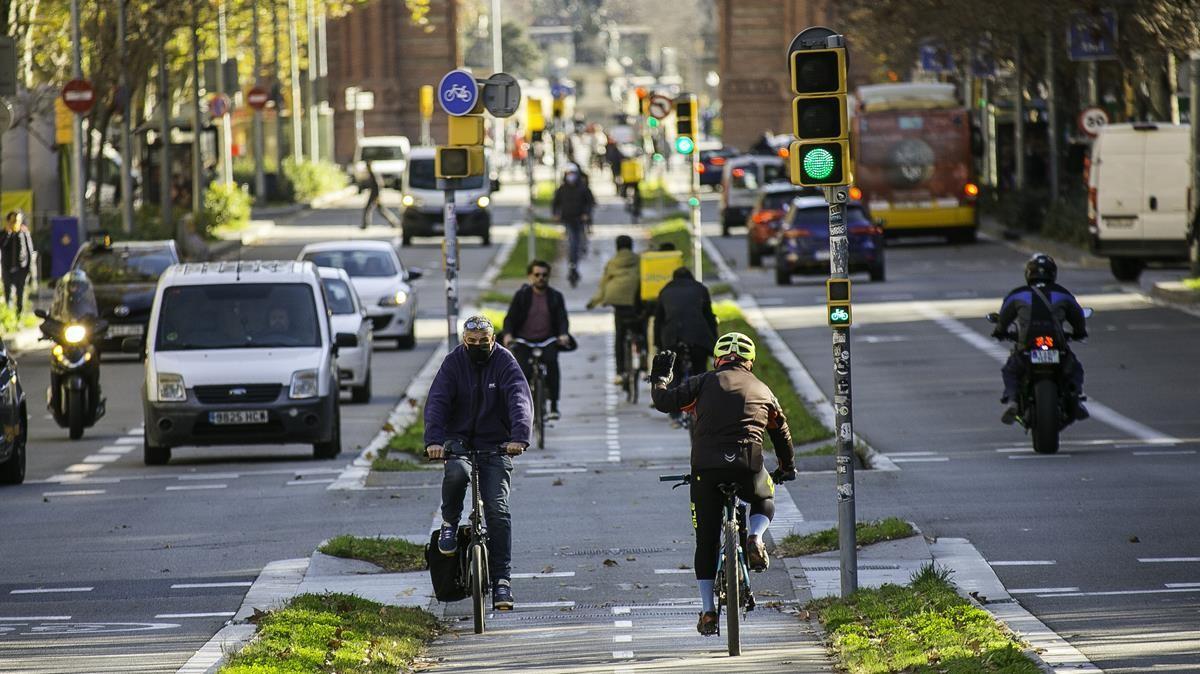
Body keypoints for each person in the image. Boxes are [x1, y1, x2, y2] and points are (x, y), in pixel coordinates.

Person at [649, 332, 797, 636]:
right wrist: (786, 467)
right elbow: (780, 431)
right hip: (748, 466)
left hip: (706, 469)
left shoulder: (703, 382)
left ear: (718, 359)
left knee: (706, 541)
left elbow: (664, 402)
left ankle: (707, 611)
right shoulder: (763, 389)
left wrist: (661, 378)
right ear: (750, 361)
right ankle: (755, 537)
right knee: (763, 493)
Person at [424, 315, 532, 611]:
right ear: (464, 341)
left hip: (497, 443)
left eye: (484, 342)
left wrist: (519, 437)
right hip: (458, 440)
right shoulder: (453, 363)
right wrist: (434, 441)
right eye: (472, 342)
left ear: (493, 339)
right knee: (457, 474)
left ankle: (502, 582)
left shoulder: (505, 362)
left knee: (498, 509)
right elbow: (437, 401)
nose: (478, 346)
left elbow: (519, 399)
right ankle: (449, 523)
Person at [993, 253, 1089, 424]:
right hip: (1056, 344)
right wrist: (1079, 332)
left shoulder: (1018, 294)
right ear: (1053, 273)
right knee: (1074, 368)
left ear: (1029, 273)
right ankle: (1075, 396)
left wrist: (1000, 331)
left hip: (1028, 346)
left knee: (1011, 370)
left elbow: (1003, 319)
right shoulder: (1063, 294)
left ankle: (1012, 399)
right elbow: (1078, 317)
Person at [503, 260, 571, 420]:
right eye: (537, 275)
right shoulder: (522, 296)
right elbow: (510, 318)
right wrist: (508, 334)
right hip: (524, 341)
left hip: (547, 340)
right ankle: (520, 407)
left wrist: (563, 334)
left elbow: (562, 318)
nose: (541, 278)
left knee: (552, 365)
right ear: (530, 276)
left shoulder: (555, 296)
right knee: (521, 373)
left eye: (544, 275)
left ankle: (554, 405)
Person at [587, 235, 642, 383]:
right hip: (635, 303)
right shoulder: (639, 261)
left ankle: (620, 372)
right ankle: (643, 361)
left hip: (618, 303)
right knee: (641, 330)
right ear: (631, 247)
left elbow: (603, 285)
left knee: (620, 337)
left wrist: (593, 302)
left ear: (617, 247)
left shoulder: (612, 263)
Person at [655, 266, 718, 386]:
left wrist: (659, 345)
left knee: (673, 375)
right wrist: (714, 344)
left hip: (672, 339)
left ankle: (673, 398)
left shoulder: (665, 291)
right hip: (698, 339)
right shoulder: (701, 289)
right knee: (700, 374)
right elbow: (710, 318)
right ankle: (701, 398)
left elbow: (658, 321)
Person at [551, 164, 595, 287]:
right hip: (568, 219)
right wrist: (556, 214)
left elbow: (590, 203)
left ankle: (575, 260)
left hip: (579, 219)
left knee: (578, 241)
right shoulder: (562, 189)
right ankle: (573, 262)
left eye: (572, 174)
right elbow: (555, 203)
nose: (570, 176)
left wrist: (586, 214)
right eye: (568, 174)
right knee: (573, 241)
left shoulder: (583, 188)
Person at [2, 211, 34, 314]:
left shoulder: (24, 233)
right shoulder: (4, 233)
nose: (15, 223)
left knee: (20, 295)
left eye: (17, 221)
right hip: (7, 268)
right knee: (8, 293)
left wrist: (29, 269)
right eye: (12, 221)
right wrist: (8, 234)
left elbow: (29, 251)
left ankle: (19, 316)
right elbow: (1, 246)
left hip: (21, 269)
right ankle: (9, 316)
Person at [361, 160, 401, 230]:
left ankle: (365, 224)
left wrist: (377, 196)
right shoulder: (373, 173)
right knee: (381, 210)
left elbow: (378, 184)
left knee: (368, 209)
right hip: (374, 194)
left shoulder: (373, 173)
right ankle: (394, 223)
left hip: (374, 195)